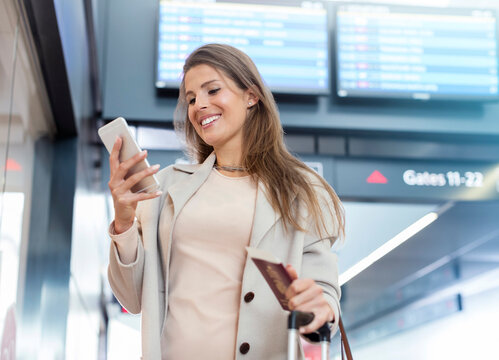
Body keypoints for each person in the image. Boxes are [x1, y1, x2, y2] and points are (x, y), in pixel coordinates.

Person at [107, 43, 345, 360]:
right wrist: (123, 222)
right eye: (191, 99)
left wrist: (319, 309)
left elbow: (324, 293)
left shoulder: (301, 190)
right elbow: (133, 297)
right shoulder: (167, 186)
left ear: (251, 96)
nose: (199, 105)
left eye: (212, 90)